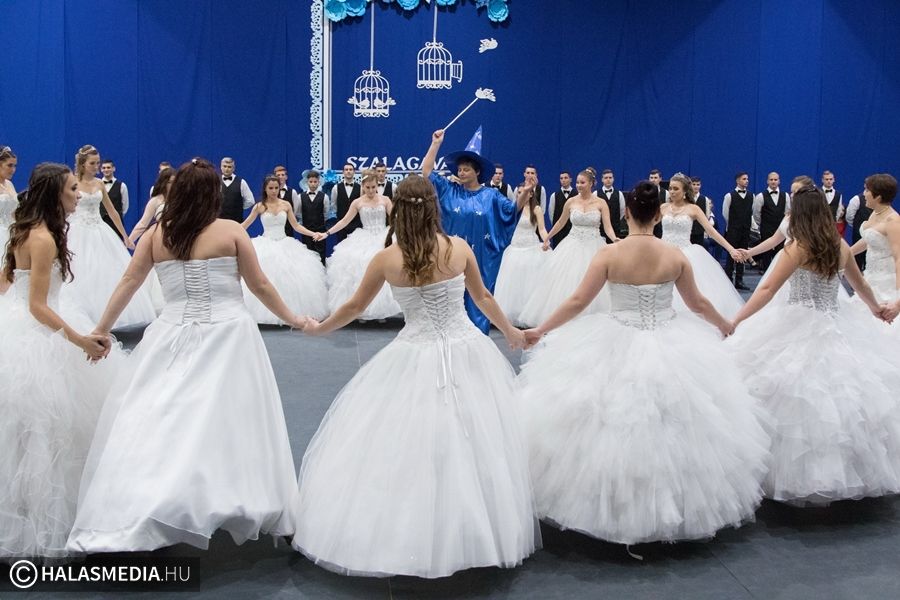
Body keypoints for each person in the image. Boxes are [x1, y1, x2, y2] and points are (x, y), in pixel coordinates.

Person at [292, 175, 539, 578]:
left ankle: (416, 533)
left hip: (414, 352)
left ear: (398, 211)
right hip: (467, 351)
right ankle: (474, 530)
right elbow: (482, 297)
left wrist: (320, 328)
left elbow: (354, 306)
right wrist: (510, 332)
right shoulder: (457, 248)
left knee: (407, 441)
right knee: (478, 437)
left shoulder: (386, 259)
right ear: (433, 209)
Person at [67, 158, 302, 553]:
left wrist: (101, 329)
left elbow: (129, 281)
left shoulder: (157, 235)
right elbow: (259, 285)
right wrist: (294, 318)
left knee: (165, 415)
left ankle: (155, 500)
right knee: (236, 421)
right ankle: (235, 498)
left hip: (171, 335)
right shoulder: (229, 231)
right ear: (212, 194)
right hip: (229, 336)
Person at [517, 181, 769, 547]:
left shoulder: (609, 254)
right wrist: (724, 325)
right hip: (672, 342)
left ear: (626, 214)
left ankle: (614, 509)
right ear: (658, 216)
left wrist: (541, 329)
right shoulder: (674, 256)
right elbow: (698, 303)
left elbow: (577, 301)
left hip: (615, 338)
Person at [727, 185, 900, 506]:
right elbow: (860, 284)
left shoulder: (797, 247)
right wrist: (877, 309)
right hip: (833, 323)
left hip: (795, 322)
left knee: (780, 392)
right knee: (839, 399)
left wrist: (736, 319)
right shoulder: (839, 245)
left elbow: (766, 289)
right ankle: (838, 472)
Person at [0, 163, 121, 559]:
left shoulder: (23, 231)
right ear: (55, 194)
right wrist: (80, 341)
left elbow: (6, 283)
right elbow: (38, 306)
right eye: (71, 190)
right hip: (38, 333)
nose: (77, 196)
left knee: (23, 432)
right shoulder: (43, 239)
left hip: (16, 325)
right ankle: (40, 521)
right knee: (47, 428)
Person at [422, 129, 524, 333]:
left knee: (479, 299)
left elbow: (512, 211)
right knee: (448, 300)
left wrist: (526, 194)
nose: (461, 173)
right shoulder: (448, 190)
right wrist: (435, 144)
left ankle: (478, 340)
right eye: (459, 169)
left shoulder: (492, 196)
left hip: (480, 260)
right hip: (449, 258)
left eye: (466, 169)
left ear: (477, 172)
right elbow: (426, 172)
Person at [61, 145, 156, 329]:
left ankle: (108, 314)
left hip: (100, 230)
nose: (97, 166)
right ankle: (83, 314)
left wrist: (125, 236)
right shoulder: (72, 182)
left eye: (97, 163)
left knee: (105, 270)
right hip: (77, 230)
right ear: (82, 163)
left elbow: (112, 211)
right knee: (80, 269)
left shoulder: (99, 184)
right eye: (92, 163)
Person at [518, 169, 618, 326]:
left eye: (582, 182)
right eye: (577, 182)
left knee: (593, 281)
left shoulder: (601, 203)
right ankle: (564, 318)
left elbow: (608, 227)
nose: (579, 185)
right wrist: (547, 237)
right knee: (567, 281)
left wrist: (614, 239)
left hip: (594, 246)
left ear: (591, 183)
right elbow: (560, 222)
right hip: (572, 245)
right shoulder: (571, 202)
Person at [240, 174, 329, 324]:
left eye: (276, 188)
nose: (274, 191)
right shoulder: (259, 206)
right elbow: (245, 225)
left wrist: (313, 233)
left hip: (285, 243)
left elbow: (296, 226)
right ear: (265, 189)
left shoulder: (286, 205)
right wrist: (228, 232)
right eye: (271, 188)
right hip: (266, 245)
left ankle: (290, 313)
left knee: (292, 279)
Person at [661, 173, 745, 319]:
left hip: (684, 253)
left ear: (685, 191)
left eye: (676, 189)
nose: (672, 192)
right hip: (663, 253)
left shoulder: (693, 209)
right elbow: (647, 227)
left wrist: (731, 249)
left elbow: (711, 231)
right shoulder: (663, 207)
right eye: (670, 188)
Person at [323, 169, 400, 320]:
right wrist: (327, 233)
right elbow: (344, 221)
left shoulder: (385, 200)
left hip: (383, 237)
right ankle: (362, 310)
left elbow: (396, 220)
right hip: (364, 237)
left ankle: (381, 311)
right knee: (360, 268)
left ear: (377, 185)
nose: (371, 190)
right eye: (367, 187)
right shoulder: (357, 202)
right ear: (363, 186)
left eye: (373, 187)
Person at [494, 172, 550, 326]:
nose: (521, 194)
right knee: (513, 285)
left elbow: (542, 229)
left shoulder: (536, 209)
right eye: (518, 192)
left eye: (524, 192)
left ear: (531, 194)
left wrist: (546, 240)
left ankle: (529, 316)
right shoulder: (513, 209)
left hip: (531, 249)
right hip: (514, 249)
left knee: (530, 284)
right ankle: (510, 317)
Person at [849, 173, 900, 328]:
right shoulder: (875, 213)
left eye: (867, 190)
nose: (864, 194)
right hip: (870, 277)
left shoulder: (893, 221)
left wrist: (898, 301)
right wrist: (846, 254)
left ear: (878, 197)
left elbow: (899, 258)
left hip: (887, 283)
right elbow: (869, 240)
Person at [752, 172, 790, 271]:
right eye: (771, 179)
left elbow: (787, 213)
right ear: (767, 181)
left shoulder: (785, 196)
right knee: (766, 254)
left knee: (780, 253)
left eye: (775, 179)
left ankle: (779, 274)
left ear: (779, 181)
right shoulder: (760, 196)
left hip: (781, 230)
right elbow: (756, 214)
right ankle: (766, 273)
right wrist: (763, 225)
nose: (773, 182)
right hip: (766, 229)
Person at [128, 167, 175, 243]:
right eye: (170, 182)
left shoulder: (181, 199)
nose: (173, 185)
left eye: (175, 182)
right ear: (164, 183)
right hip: (162, 239)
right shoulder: (155, 200)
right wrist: (130, 240)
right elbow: (143, 223)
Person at [723, 172, 753, 290]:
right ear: (737, 181)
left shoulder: (751, 196)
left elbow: (752, 212)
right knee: (731, 255)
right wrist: (732, 225)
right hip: (733, 230)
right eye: (744, 179)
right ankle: (728, 279)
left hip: (745, 230)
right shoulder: (729, 196)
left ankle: (739, 280)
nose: (747, 181)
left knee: (743, 255)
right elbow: (725, 213)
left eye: (747, 179)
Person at [296, 169, 330, 264]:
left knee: (321, 254)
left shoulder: (324, 197)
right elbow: (298, 213)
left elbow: (326, 213)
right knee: (307, 255)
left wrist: (320, 225)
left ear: (319, 182)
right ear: (307, 182)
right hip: (306, 231)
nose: (313, 184)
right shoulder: (300, 197)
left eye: (315, 182)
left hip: (320, 231)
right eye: (311, 182)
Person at [330, 162, 361, 242]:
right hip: (341, 224)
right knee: (340, 246)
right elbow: (333, 205)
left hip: (356, 224)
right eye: (346, 170)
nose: (348, 171)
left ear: (354, 172)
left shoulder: (360, 188)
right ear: (343, 172)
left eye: (350, 169)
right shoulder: (336, 188)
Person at [0, 145, 18, 280]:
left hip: (11, 232)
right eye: (9, 165)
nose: (13, 169)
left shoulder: (9, 185)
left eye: (15, 166)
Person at [100, 159, 129, 240]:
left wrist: (116, 216)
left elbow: (125, 206)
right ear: (101, 170)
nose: (106, 170)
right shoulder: (97, 185)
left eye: (108, 167)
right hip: (101, 222)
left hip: (116, 225)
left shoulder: (122, 186)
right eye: (104, 168)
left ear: (113, 169)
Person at [219, 157, 255, 222]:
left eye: (229, 167)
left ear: (233, 168)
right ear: (221, 167)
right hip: (219, 221)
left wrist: (239, 206)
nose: (226, 169)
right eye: (224, 166)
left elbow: (251, 201)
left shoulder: (241, 182)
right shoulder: (216, 182)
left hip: (236, 221)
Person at [598, 169, 625, 242]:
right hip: (600, 230)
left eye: (610, 177)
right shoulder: (596, 194)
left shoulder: (619, 194)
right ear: (602, 180)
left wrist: (615, 221)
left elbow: (622, 211)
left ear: (613, 179)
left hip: (615, 229)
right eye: (606, 178)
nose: (608, 180)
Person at [274, 165, 300, 238]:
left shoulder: (293, 192)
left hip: (288, 227)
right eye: (278, 175)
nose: (280, 177)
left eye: (283, 175)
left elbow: (295, 210)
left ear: (286, 177)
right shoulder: (272, 192)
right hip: (275, 226)